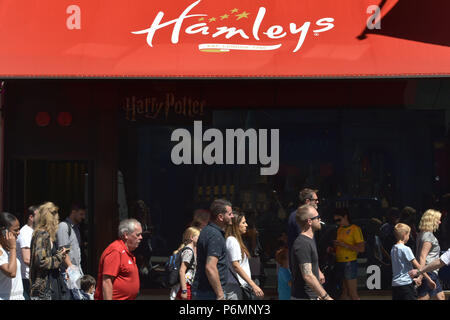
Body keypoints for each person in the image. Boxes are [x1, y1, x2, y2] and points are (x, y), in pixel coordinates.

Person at [192, 199, 234, 300]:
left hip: (204, 290)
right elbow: (210, 267)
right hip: (210, 292)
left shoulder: (206, 231)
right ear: (220, 217)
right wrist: (220, 294)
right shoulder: (215, 235)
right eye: (230, 214)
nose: (232, 216)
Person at [29, 202, 71, 300]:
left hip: (51, 283)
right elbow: (41, 261)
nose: (57, 220)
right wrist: (60, 256)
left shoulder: (45, 234)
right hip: (45, 288)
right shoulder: (42, 235)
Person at [291, 204, 332, 300]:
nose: (319, 219)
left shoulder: (309, 240)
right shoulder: (302, 243)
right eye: (317, 217)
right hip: (304, 297)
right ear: (309, 221)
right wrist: (326, 297)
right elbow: (308, 275)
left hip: (312, 296)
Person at [94, 218, 142, 300]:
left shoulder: (127, 252)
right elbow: (107, 281)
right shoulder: (116, 251)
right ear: (126, 235)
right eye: (137, 235)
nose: (141, 237)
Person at [224, 211, 264, 300]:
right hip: (235, 286)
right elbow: (236, 266)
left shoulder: (235, 240)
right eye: (243, 222)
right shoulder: (232, 241)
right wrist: (253, 285)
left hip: (238, 285)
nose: (246, 225)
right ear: (236, 225)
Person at [391, 223, 435, 300]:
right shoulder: (406, 249)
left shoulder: (393, 249)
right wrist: (429, 280)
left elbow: (400, 269)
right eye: (409, 234)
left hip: (396, 285)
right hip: (406, 285)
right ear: (405, 235)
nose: (409, 236)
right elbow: (418, 266)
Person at [333, 208, 365, 300]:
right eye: (335, 220)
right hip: (340, 262)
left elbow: (361, 248)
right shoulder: (339, 229)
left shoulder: (355, 229)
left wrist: (345, 245)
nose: (337, 222)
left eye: (339, 219)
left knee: (352, 293)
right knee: (344, 292)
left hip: (349, 262)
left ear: (345, 217)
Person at [56, 203, 86, 299]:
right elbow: (63, 250)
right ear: (73, 212)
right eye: (81, 214)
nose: (83, 217)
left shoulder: (76, 229)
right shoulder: (64, 227)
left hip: (76, 271)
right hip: (67, 273)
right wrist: (71, 269)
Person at [415, 209, 445, 300]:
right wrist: (421, 275)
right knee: (424, 297)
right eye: (438, 219)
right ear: (431, 220)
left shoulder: (422, 234)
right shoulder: (429, 236)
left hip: (430, 272)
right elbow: (422, 256)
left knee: (441, 297)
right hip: (428, 271)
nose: (440, 222)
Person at [287, 188, 319, 272]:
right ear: (308, 201)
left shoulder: (298, 215)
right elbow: (304, 242)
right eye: (315, 200)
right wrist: (317, 270)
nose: (317, 202)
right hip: (303, 265)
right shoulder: (298, 216)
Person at [170, 226, 200, 300]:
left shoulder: (190, 249)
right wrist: (184, 290)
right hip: (185, 285)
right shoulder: (189, 251)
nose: (201, 239)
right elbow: (182, 270)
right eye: (199, 236)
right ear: (192, 237)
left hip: (187, 285)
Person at [16, 205, 39, 300]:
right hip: (26, 278)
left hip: (33, 276)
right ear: (31, 217)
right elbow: (26, 259)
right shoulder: (25, 233)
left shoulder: (34, 232)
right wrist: (45, 266)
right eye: (39, 216)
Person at [0, 212, 24, 300]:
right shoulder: (7, 249)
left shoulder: (8, 248)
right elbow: (11, 272)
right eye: (15, 230)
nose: (19, 232)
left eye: (19, 229)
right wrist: (13, 248)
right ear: (4, 231)